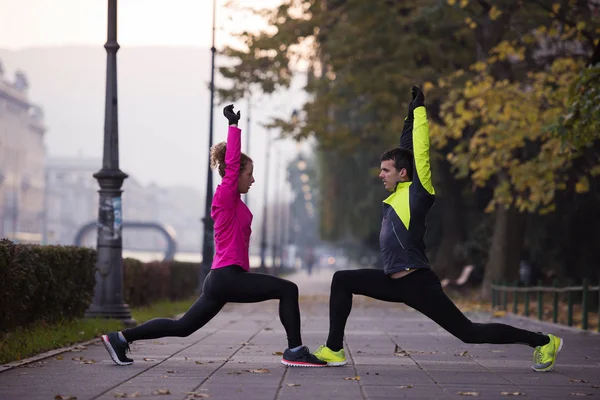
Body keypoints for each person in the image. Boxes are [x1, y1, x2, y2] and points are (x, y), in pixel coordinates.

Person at [312, 87, 563, 372]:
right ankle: (333, 349)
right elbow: (406, 150)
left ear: (402, 173)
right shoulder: (398, 194)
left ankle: (543, 341)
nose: (380, 174)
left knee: (469, 333)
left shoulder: (418, 193)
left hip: (417, 283)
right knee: (342, 280)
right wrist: (408, 118)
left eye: (385, 170)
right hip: (393, 281)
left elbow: (419, 151)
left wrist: (420, 113)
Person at [102, 105, 326, 368]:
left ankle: (120, 338)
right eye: (249, 174)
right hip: (227, 277)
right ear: (234, 175)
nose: (252, 180)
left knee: (183, 327)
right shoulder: (225, 196)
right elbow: (232, 166)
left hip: (221, 279)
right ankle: (295, 350)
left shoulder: (236, 203)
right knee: (288, 289)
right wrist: (233, 127)